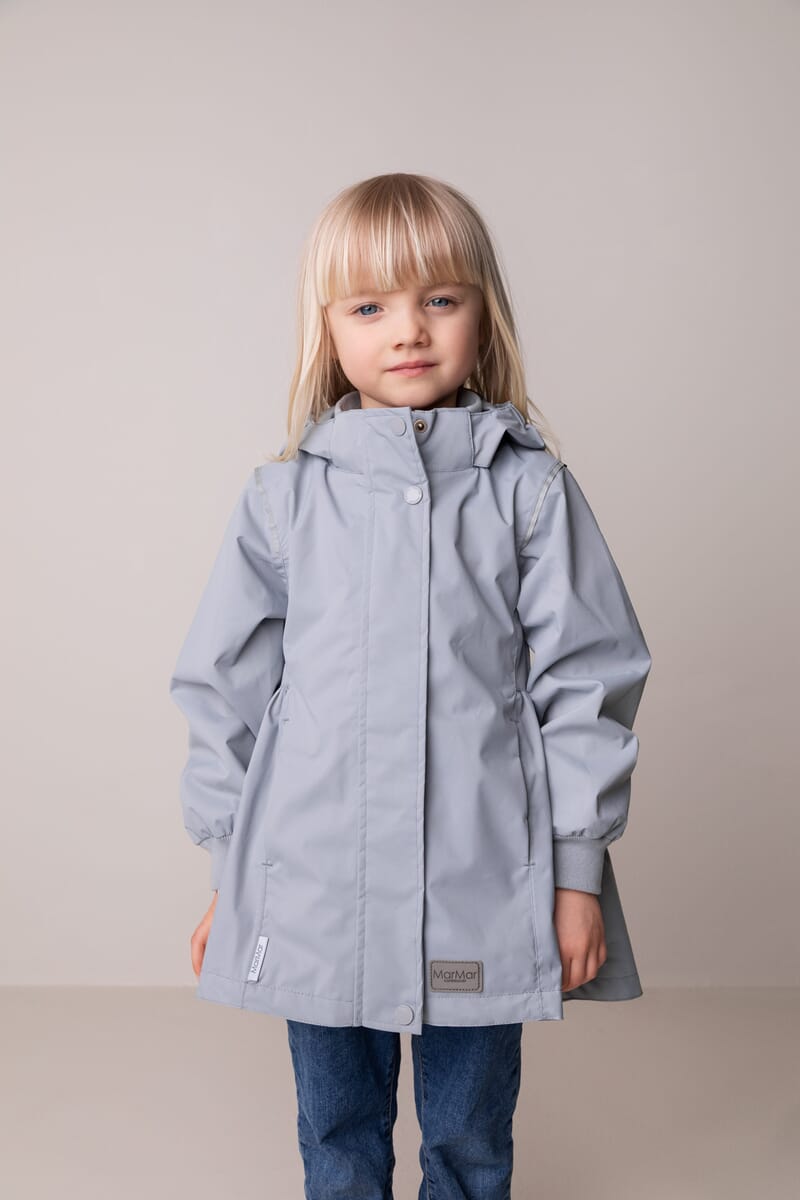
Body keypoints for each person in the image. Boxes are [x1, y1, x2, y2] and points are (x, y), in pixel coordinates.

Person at [168, 172, 653, 1199]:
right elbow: (226, 693)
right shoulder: (283, 501)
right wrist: (232, 870)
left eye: (439, 298)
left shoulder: (528, 492)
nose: (408, 331)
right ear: (327, 329)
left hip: (486, 885)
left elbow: (587, 682)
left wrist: (575, 876)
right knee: (335, 1130)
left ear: (483, 312)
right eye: (369, 306)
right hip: (315, 888)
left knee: (469, 1137)